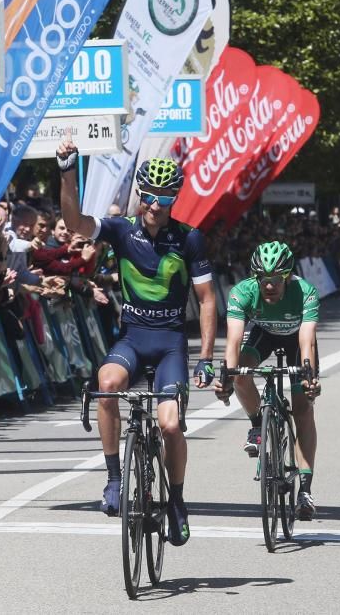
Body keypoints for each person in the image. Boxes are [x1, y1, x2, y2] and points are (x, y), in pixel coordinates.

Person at [57, 137, 217, 547]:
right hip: (132, 337)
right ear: (140, 195)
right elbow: (74, 222)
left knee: (169, 423)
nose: (154, 206)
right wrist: (66, 170)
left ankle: (177, 501)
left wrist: (206, 358)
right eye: (148, 197)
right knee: (105, 384)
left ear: (174, 200)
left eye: (163, 199)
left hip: (169, 345)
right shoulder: (120, 230)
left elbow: (207, 300)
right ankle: (113, 478)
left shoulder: (189, 239)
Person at [215, 241, 321, 520]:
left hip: (297, 340)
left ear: (287, 276)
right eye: (263, 279)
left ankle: (305, 490)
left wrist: (309, 376)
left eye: (276, 279)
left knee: (302, 409)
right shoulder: (242, 292)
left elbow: (307, 341)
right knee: (239, 374)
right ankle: (256, 427)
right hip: (264, 334)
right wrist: (226, 375)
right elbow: (234, 340)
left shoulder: (305, 292)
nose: (269, 286)